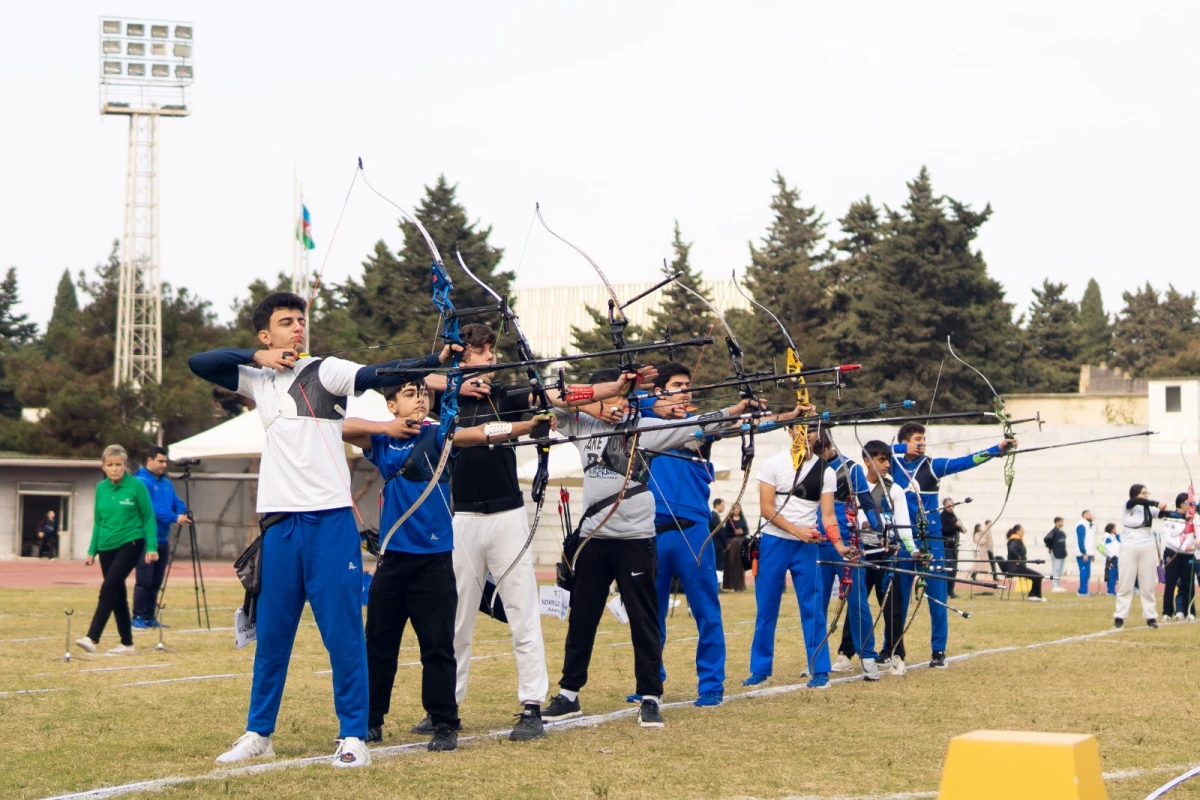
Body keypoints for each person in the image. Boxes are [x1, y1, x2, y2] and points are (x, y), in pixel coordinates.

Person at [188, 291, 452, 768]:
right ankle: (258, 732)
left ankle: (353, 735)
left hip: (329, 522)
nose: (297, 328)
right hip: (280, 525)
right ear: (266, 335)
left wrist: (435, 359)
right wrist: (257, 357)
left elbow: (380, 374)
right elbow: (198, 361)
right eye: (286, 322)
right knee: (272, 635)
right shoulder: (258, 377)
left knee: (343, 634)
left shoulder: (324, 369)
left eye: (300, 320)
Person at [421, 324, 634, 742]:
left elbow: (561, 393)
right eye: (480, 353)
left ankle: (532, 705)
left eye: (491, 352)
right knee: (457, 618)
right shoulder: (442, 402)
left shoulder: (507, 395)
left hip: (507, 516)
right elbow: (408, 381)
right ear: (463, 358)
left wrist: (612, 386)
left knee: (522, 612)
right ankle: (446, 706)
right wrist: (452, 379)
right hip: (461, 518)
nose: (491, 359)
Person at [541, 367, 762, 728]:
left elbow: (699, 425)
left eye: (623, 394)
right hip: (595, 538)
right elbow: (548, 397)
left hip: (635, 540)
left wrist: (737, 410)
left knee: (644, 621)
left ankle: (650, 696)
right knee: (582, 618)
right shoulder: (584, 425)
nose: (618, 401)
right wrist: (594, 404)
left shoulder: (645, 427)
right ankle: (569, 695)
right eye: (612, 394)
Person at [343, 376, 544, 751]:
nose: (419, 400)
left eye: (423, 394)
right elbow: (340, 427)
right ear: (391, 406)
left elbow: (484, 433)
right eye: (408, 394)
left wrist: (526, 427)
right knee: (379, 646)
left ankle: (444, 723)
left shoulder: (438, 435)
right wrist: (387, 426)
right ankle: (370, 722)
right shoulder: (382, 439)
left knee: (438, 646)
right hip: (391, 561)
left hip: (434, 561)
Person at [635, 362, 740, 707]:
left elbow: (726, 421)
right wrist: (648, 395)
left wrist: (748, 407)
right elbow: (627, 400)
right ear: (658, 392)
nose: (685, 392)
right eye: (677, 385)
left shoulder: (699, 425)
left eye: (687, 385)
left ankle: (711, 684)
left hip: (692, 531)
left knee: (705, 609)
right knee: (651, 612)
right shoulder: (645, 421)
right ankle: (650, 682)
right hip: (651, 530)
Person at [891, 422, 1015, 669]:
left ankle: (938, 651)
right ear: (905, 441)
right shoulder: (892, 463)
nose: (923, 443)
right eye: (918, 439)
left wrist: (998, 449)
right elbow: (878, 450)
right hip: (904, 538)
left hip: (932, 538)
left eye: (924, 439)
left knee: (936, 594)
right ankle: (892, 648)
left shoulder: (933, 466)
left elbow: (966, 461)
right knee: (898, 595)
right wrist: (904, 447)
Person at [744, 425, 852, 690]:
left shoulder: (825, 471)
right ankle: (760, 669)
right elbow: (766, 508)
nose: (807, 435)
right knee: (766, 608)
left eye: (812, 430)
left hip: (807, 545)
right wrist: (796, 531)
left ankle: (820, 669)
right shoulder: (773, 464)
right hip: (774, 541)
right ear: (789, 431)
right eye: (801, 429)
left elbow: (827, 515)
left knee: (813, 608)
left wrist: (838, 544)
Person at [835, 440, 916, 677]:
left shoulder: (894, 490)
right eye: (881, 460)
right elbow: (847, 517)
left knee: (892, 606)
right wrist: (862, 523)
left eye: (888, 460)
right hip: (859, 554)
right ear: (867, 461)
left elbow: (904, 528)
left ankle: (895, 654)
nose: (887, 465)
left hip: (886, 556)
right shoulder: (852, 488)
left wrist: (912, 550)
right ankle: (845, 653)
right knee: (856, 605)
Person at [813, 431, 882, 681]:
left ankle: (868, 657)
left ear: (831, 444)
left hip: (848, 544)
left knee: (858, 602)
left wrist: (878, 528)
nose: (818, 456)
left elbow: (867, 502)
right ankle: (816, 659)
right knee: (815, 604)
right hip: (817, 543)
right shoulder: (809, 466)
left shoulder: (851, 469)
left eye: (822, 451)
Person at [76, 445, 159, 655]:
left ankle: (92, 638)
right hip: (106, 546)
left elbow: (148, 516)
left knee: (108, 588)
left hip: (131, 542)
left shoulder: (137, 486)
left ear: (126, 466)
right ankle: (127, 644)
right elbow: (98, 521)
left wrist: (151, 546)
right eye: (110, 465)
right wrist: (91, 550)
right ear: (103, 467)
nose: (114, 469)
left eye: (118, 465)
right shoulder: (100, 488)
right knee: (117, 593)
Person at [132, 446, 190, 628]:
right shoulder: (140, 482)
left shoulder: (166, 483)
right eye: (161, 461)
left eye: (165, 461)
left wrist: (184, 511)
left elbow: (176, 502)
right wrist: (175, 517)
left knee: (156, 581)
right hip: (145, 539)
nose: (164, 465)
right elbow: (150, 508)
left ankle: (150, 617)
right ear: (149, 461)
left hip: (163, 540)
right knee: (144, 581)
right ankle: (137, 617)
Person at [1114, 483, 1167, 629]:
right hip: (1129, 547)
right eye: (1143, 493)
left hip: (1147, 547)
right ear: (1135, 494)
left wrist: (1174, 512)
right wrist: (1156, 503)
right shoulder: (1129, 505)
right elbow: (1137, 501)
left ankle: (1150, 616)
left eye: (1147, 493)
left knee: (1148, 583)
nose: (1146, 495)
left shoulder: (1149, 508)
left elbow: (1163, 515)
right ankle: (1120, 615)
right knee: (1126, 582)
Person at [1159, 492, 1194, 621]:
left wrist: (1190, 520)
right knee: (1171, 583)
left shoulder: (1193, 518)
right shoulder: (1170, 516)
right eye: (1188, 503)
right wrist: (1185, 521)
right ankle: (1167, 612)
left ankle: (1188, 611)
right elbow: (1169, 538)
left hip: (1188, 555)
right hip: (1173, 553)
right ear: (1181, 504)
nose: (1191, 505)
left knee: (1187, 584)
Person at [1004, 525, 1046, 601]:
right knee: (1038, 576)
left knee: (1037, 576)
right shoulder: (1015, 540)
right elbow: (1011, 549)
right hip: (1016, 568)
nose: (1023, 532)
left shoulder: (1017, 540)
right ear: (1017, 531)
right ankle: (1035, 596)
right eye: (1022, 530)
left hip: (1020, 567)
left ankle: (1034, 595)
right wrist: (1018, 557)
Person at [939, 498, 965, 599]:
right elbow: (944, 529)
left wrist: (960, 527)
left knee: (954, 569)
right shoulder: (942, 516)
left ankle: (951, 590)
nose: (951, 507)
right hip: (946, 545)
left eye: (952, 505)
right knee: (949, 568)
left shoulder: (954, 516)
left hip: (954, 545)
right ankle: (946, 591)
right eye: (949, 505)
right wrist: (955, 525)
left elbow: (961, 529)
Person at [723, 505, 749, 592]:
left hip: (741, 543)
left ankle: (740, 586)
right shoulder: (729, 521)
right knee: (731, 562)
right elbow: (726, 533)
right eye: (735, 508)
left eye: (738, 508)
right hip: (732, 543)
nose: (736, 510)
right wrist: (734, 532)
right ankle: (730, 585)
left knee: (740, 564)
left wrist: (742, 532)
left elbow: (746, 531)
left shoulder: (742, 520)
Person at [1043, 517, 1068, 592]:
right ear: (1057, 522)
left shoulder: (1061, 532)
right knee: (1056, 569)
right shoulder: (1054, 531)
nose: (1062, 523)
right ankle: (1055, 585)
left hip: (1062, 553)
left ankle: (1058, 584)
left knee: (1060, 570)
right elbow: (1046, 539)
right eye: (1061, 521)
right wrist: (1051, 547)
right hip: (1056, 552)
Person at [1075, 510, 1097, 597]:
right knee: (1084, 573)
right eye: (1090, 514)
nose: (1091, 516)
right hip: (1083, 554)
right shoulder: (1081, 525)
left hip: (1088, 553)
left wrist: (1092, 553)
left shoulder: (1089, 526)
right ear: (1085, 515)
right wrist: (1084, 552)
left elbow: (1090, 541)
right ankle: (1083, 591)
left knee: (1087, 573)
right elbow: (1081, 540)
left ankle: (1083, 590)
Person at [1098, 523, 1120, 596]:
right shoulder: (1107, 538)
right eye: (1114, 528)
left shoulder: (1113, 537)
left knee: (1115, 575)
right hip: (1111, 559)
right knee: (1111, 575)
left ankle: (1112, 590)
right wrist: (1109, 560)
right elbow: (1100, 548)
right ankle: (1110, 591)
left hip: (1114, 558)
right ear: (1111, 529)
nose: (1115, 530)